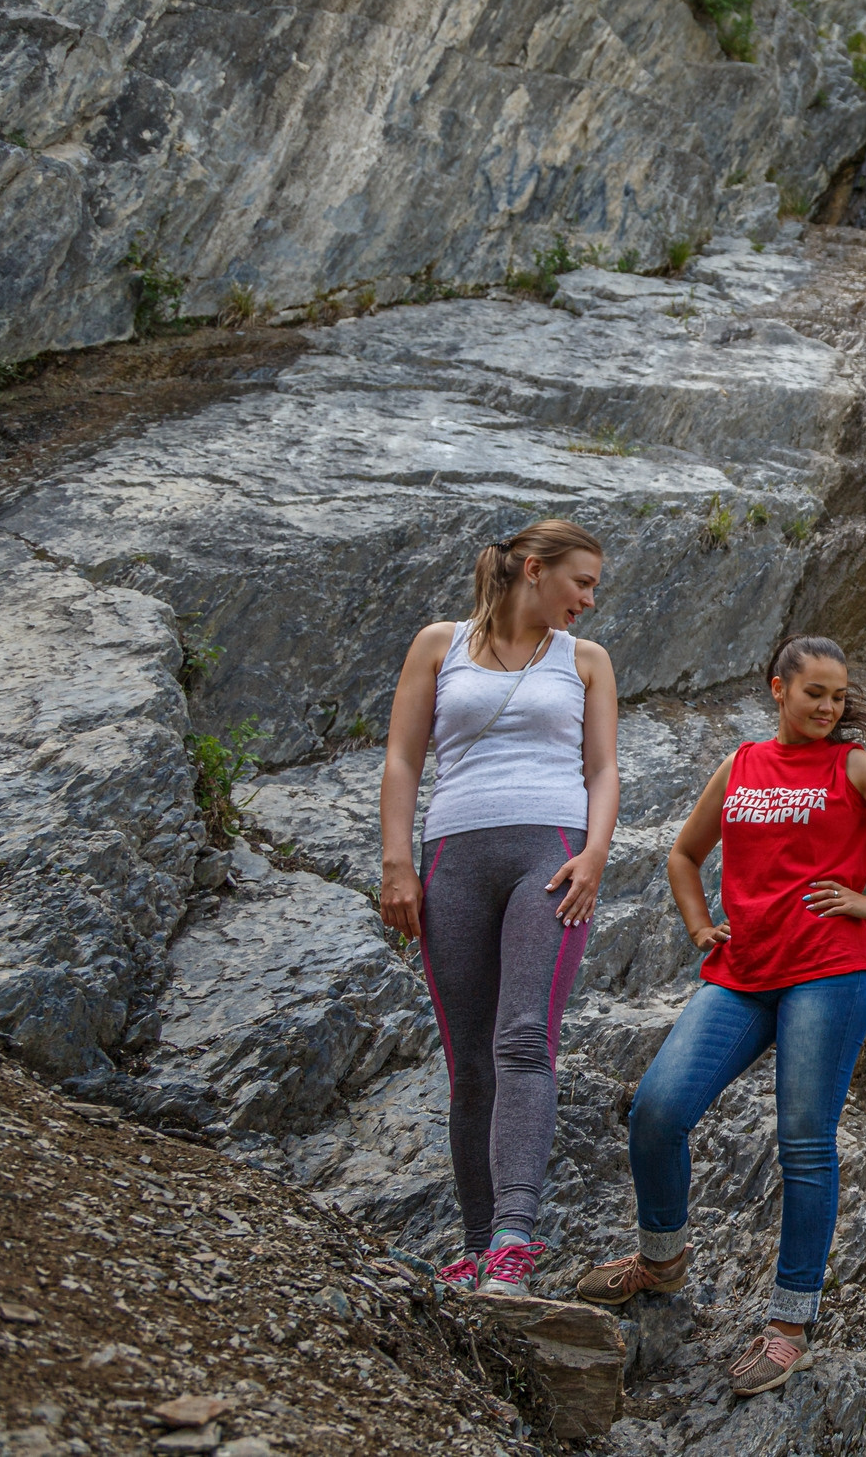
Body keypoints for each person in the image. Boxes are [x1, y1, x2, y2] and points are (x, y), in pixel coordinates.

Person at [572, 635, 866, 1396]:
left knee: (803, 1143)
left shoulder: (852, 767)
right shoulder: (740, 764)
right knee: (656, 1109)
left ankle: (788, 1325)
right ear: (777, 687)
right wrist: (697, 926)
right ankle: (662, 1257)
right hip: (742, 971)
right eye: (814, 691)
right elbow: (684, 854)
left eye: (838, 695)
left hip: (829, 972)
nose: (828, 706)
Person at [377, 519, 619, 1297]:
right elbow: (403, 757)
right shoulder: (437, 644)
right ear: (533, 569)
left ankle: (515, 1239)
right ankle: (478, 1245)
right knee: (468, 1062)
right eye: (580, 581)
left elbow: (605, 768)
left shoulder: (584, 661)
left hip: (549, 856)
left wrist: (595, 852)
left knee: (523, 1038)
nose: (588, 598)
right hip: (453, 857)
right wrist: (397, 861)